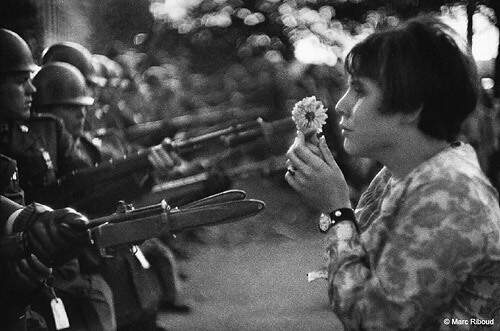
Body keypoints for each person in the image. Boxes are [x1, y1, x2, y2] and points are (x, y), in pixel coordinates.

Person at [285, 16, 500, 330]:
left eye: (359, 90)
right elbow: (361, 263)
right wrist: (333, 200)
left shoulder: (451, 194)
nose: (341, 106)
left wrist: (336, 212)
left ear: (412, 106)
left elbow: (375, 321)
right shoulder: (399, 174)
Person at [0, 27, 116, 331]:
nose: (32, 90)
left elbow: (82, 184)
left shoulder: (34, 132)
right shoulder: (27, 136)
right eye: (20, 81)